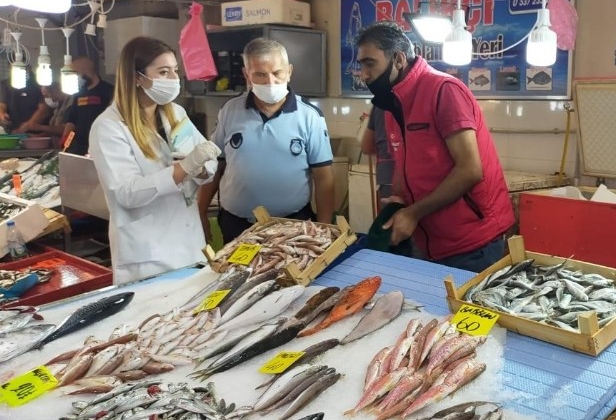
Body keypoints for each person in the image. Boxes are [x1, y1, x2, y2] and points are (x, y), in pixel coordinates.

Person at [355, 21, 513, 272]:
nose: (364, 74)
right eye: (361, 65)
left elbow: (470, 169)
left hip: (473, 243)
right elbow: (403, 163)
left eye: (370, 63)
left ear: (397, 59)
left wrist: (414, 213)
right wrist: (400, 200)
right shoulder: (392, 104)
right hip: (429, 241)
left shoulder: (444, 91)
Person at [90, 37, 220, 285]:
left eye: (175, 71)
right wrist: (184, 168)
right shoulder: (109, 127)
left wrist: (201, 168)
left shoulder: (175, 113)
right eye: (163, 72)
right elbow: (128, 193)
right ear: (137, 77)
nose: (173, 79)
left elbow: (207, 162)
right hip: (147, 255)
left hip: (189, 243)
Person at [197, 38, 336, 243]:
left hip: (292, 227)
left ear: (289, 71)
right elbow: (215, 167)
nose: (270, 82)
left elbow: (324, 178)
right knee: (235, 275)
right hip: (236, 226)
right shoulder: (230, 111)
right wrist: (200, 213)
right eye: (260, 75)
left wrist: (324, 229)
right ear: (247, 75)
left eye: (277, 73)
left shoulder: (310, 116)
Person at [62, 57, 114, 155]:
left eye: (76, 73)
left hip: (102, 148)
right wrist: (65, 145)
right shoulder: (79, 94)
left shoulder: (109, 91)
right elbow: (71, 122)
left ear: (85, 71)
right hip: (80, 148)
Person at [360, 106, 396, 204]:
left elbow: (366, 146)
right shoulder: (423, 98)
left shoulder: (379, 104)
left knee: (391, 217)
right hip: (420, 179)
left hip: (388, 177)